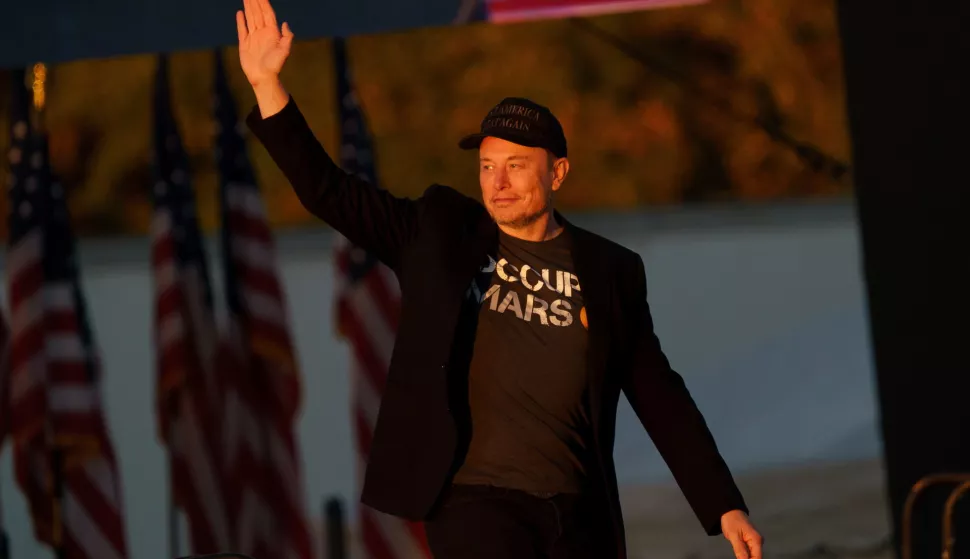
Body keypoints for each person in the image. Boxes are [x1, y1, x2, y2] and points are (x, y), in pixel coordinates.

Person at [235, 0, 764, 557]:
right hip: (473, 504)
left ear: (557, 171)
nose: (498, 182)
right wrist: (269, 85)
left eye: (516, 165)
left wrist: (723, 504)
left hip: (577, 511)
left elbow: (658, 392)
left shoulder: (612, 270)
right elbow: (330, 193)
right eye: (487, 166)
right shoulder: (438, 232)